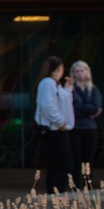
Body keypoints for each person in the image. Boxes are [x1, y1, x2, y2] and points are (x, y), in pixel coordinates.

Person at [35, 56, 74, 193]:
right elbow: (48, 105)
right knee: (65, 163)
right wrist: (60, 121)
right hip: (54, 129)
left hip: (58, 127)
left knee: (56, 163)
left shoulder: (54, 84)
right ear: (59, 69)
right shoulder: (48, 83)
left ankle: (53, 191)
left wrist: (68, 89)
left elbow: (61, 102)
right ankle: (58, 191)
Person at [69, 61, 103, 187]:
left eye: (82, 71)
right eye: (76, 71)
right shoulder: (70, 89)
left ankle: (88, 184)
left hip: (90, 128)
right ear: (73, 73)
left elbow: (96, 107)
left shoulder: (93, 89)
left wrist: (80, 109)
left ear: (87, 72)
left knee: (88, 158)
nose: (79, 74)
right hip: (75, 127)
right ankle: (76, 185)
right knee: (76, 157)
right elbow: (71, 108)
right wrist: (87, 111)